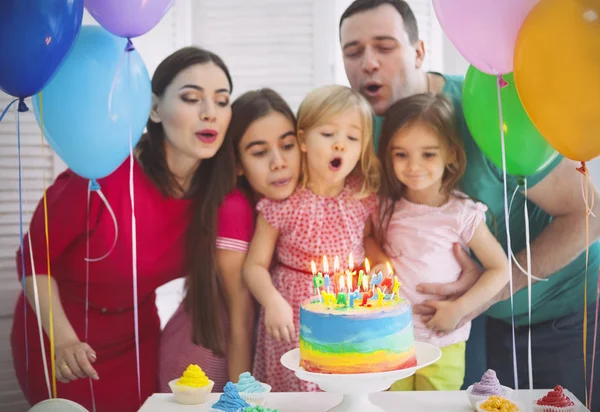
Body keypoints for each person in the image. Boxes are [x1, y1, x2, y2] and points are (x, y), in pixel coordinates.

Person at [339, 0, 600, 406]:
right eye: (353, 52)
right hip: (472, 326)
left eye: (384, 46)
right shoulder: (365, 131)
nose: (368, 63)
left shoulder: (489, 108)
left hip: (564, 312)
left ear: (420, 52)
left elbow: (588, 214)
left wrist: (484, 289)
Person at [11, 47, 240, 412]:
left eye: (222, 100)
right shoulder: (103, 171)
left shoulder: (219, 194)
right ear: (153, 109)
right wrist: (63, 340)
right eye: (191, 98)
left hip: (136, 339)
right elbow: (34, 259)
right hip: (58, 334)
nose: (209, 112)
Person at [158, 88, 301, 392]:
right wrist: (242, 399)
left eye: (287, 145)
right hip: (207, 361)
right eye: (259, 152)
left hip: (248, 352)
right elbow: (241, 316)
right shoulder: (235, 208)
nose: (279, 162)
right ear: (237, 164)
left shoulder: (286, 205)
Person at [243, 85, 380, 392]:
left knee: (346, 391)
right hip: (294, 314)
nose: (340, 146)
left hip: (349, 310)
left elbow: (367, 240)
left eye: (352, 137)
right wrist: (272, 301)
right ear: (302, 140)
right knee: (300, 391)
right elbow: (254, 266)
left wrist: (379, 263)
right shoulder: (283, 204)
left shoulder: (362, 197)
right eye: (329, 134)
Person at [373, 93, 509, 390]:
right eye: (401, 154)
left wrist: (459, 309)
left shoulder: (462, 213)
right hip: (388, 342)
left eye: (428, 154)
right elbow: (367, 241)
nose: (413, 165)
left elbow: (501, 269)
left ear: (451, 154)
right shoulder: (384, 208)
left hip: (441, 344)